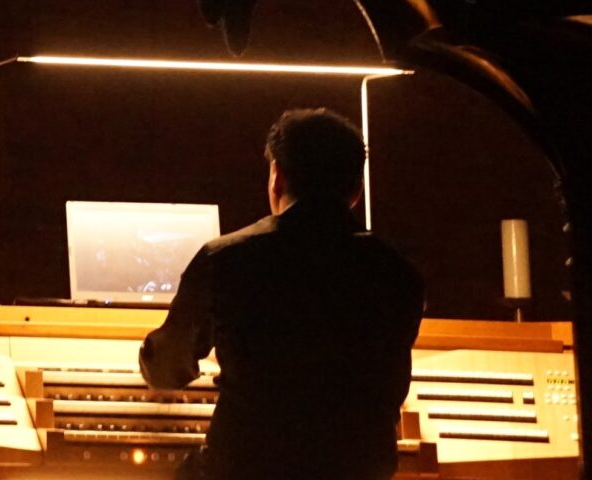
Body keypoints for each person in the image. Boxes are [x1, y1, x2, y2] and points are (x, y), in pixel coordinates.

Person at [139, 108, 424, 480]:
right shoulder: (398, 273)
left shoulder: (225, 260)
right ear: (356, 190)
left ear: (277, 177)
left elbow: (165, 370)